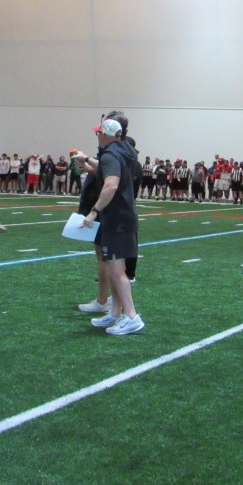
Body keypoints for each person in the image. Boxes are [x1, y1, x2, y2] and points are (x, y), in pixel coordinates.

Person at [79, 116, 143, 335]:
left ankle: (132, 316)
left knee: (116, 270)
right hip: (124, 216)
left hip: (116, 218)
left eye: (99, 132)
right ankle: (116, 312)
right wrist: (89, 161)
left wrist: (94, 210)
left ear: (104, 134)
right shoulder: (126, 151)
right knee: (117, 268)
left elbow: (111, 184)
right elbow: (110, 169)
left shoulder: (110, 154)